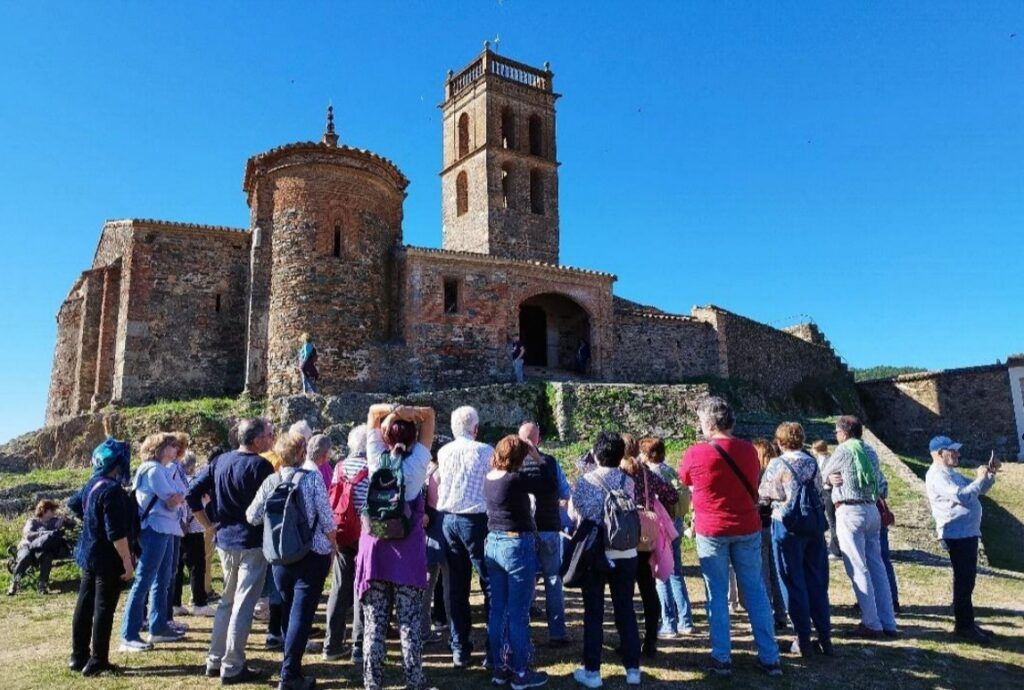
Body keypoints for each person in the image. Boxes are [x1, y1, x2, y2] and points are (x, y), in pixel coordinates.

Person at [679, 396, 782, 677]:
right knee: (756, 592)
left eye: (701, 420)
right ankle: (770, 657)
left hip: (712, 530)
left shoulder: (696, 453)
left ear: (710, 423)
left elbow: (685, 479)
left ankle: (722, 657)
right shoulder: (749, 451)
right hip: (747, 527)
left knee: (717, 595)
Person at [187, 417, 275, 685]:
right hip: (252, 542)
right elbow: (271, 505)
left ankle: (215, 659)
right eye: (269, 435)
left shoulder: (220, 461)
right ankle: (233, 664)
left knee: (227, 602)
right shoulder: (261, 466)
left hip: (226, 541)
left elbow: (192, 493)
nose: (272, 439)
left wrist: (208, 526)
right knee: (243, 604)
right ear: (256, 439)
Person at [247, 431, 337, 690]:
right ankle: (290, 675)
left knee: (288, 610)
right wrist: (334, 544)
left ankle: (291, 665)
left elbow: (252, 516)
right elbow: (328, 520)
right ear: (301, 454)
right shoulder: (312, 480)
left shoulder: (271, 481)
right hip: (311, 553)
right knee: (301, 614)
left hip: (280, 556)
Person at [356, 403, 435, 690]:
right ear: (414, 436)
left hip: (375, 549)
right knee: (409, 622)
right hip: (407, 552)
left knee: (374, 624)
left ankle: (372, 683)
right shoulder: (417, 465)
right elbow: (431, 416)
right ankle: (414, 681)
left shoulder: (375, 456)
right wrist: (412, 411)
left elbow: (371, 413)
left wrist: (393, 409)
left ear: (385, 435)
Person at [569, 431, 642, 688]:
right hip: (625, 552)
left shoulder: (586, 481)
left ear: (596, 454)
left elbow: (576, 511)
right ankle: (633, 668)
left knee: (594, 612)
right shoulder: (628, 481)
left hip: (596, 552)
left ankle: (592, 671)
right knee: (625, 609)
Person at [484, 435, 554, 689]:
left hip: (494, 542)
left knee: (497, 609)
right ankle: (521, 672)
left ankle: (499, 667)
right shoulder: (516, 479)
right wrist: (538, 458)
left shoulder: (490, 477)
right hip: (516, 543)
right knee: (518, 612)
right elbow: (547, 484)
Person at [758, 423, 832, 657]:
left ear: (780, 442)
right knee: (816, 580)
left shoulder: (777, 464)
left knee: (791, 581)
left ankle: (802, 638)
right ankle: (825, 637)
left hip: (786, 525)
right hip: (812, 525)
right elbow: (820, 491)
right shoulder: (811, 462)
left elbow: (766, 494)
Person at [821, 415, 897, 639]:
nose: (836, 436)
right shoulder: (870, 451)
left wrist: (829, 480)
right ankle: (888, 620)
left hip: (850, 510)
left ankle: (871, 622)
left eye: (836, 432)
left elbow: (823, 474)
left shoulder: (844, 450)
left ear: (843, 433)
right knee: (877, 566)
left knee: (857, 566)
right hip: (871, 510)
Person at [67, 435, 135, 677]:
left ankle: (78, 656)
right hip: (107, 557)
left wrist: (91, 521)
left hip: (89, 552)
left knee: (85, 605)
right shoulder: (113, 491)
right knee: (103, 608)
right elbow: (116, 533)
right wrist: (127, 562)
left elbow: (73, 504)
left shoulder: (92, 484)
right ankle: (98, 660)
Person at [925, 436, 1000, 644]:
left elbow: (978, 491)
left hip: (966, 532)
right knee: (964, 580)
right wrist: (978, 479)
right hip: (956, 534)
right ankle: (964, 626)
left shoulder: (950, 473)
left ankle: (968, 623)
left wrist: (989, 475)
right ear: (940, 454)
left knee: (968, 580)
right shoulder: (937, 476)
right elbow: (964, 496)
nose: (958, 454)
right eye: (953, 451)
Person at [436, 405, 494, 667]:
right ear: (476, 428)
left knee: (456, 587)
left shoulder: (443, 452)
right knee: (490, 583)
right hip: (476, 518)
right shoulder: (485, 451)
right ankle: (493, 648)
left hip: (449, 519)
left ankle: (460, 646)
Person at [119, 432, 185, 651]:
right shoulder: (154, 469)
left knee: (162, 579)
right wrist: (177, 497)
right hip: (155, 529)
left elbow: (179, 495)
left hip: (162, 527)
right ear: (159, 448)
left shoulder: (159, 469)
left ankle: (158, 627)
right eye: (171, 445)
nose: (176, 449)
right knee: (146, 580)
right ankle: (129, 633)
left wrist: (177, 497)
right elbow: (174, 497)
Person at [620, 433, 677, 658]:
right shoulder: (646, 474)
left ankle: (628, 641)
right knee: (648, 591)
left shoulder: (618, 474)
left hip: (622, 538)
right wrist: (651, 502)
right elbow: (671, 495)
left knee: (623, 594)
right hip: (645, 538)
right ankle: (651, 640)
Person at [518, 421, 571, 647]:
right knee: (552, 580)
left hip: (524, 528)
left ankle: (523, 631)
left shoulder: (513, 464)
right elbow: (565, 492)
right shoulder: (550, 462)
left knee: (524, 580)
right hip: (549, 526)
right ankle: (557, 632)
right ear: (538, 439)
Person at [324, 424, 370, 663]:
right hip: (363, 534)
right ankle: (358, 646)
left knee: (339, 587)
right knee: (362, 588)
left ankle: (331, 644)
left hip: (342, 532)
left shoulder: (339, 467)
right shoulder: (371, 468)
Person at [643, 437, 696, 639]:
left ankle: (668, 623)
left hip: (662, 528)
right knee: (676, 573)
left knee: (661, 574)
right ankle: (686, 620)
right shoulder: (670, 470)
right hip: (676, 526)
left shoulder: (652, 474)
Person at [752, 437, 789, 630]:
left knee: (762, 573)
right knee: (776, 572)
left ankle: (766, 614)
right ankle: (781, 613)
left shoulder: (757, 474)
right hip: (774, 524)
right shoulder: (778, 471)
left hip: (760, 525)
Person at [173, 452, 215, 616]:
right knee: (197, 567)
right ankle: (199, 602)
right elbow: (202, 503)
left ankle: (175, 602)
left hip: (178, 529)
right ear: (191, 466)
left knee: (177, 567)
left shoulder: (175, 484)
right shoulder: (195, 484)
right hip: (195, 529)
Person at [7, 499, 74, 595]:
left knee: (47, 556)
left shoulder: (54, 521)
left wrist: (66, 520)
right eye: (52, 510)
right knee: (25, 557)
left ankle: (42, 584)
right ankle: (14, 583)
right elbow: (28, 535)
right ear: (45, 511)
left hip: (41, 549)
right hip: (27, 546)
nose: (54, 513)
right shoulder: (32, 521)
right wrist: (46, 533)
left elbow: (72, 524)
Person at [811, 440, 842, 560]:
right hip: (824, 492)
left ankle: (836, 549)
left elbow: (823, 476)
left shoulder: (824, 460)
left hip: (828, 492)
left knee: (832, 521)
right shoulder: (826, 458)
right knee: (829, 520)